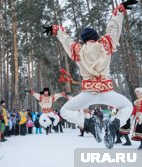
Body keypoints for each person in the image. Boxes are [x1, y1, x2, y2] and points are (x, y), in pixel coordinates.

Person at [43, 0, 138, 149]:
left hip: (88, 92)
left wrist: (56, 30)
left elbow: (66, 40)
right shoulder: (105, 45)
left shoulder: (78, 50)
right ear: (96, 36)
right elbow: (113, 28)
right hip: (107, 91)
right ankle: (115, 125)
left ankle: (88, 124)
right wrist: (120, 10)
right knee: (126, 106)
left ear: (83, 40)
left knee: (65, 111)